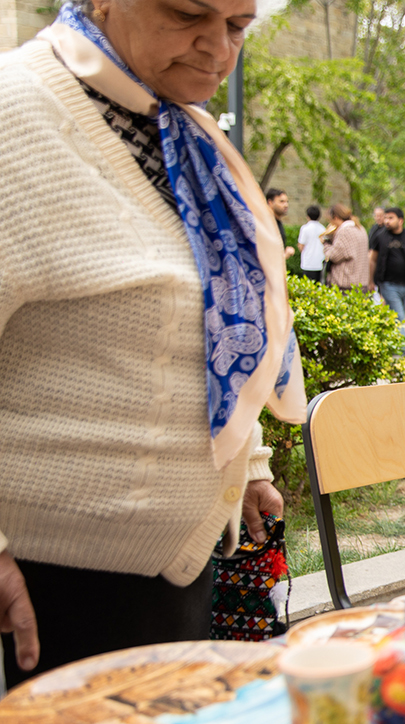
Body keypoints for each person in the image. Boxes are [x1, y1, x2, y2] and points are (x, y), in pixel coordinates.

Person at [0, 0, 305, 686]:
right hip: (49, 588)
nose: (218, 49)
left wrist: (247, 464)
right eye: (188, 13)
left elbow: (218, 309)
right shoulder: (16, 110)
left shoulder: (182, 128)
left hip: (177, 569)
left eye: (237, 25)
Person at [322, 203, 370, 292]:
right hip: (361, 283)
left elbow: (334, 256)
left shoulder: (345, 231)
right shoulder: (360, 228)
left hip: (346, 285)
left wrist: (326, 243)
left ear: (335, 217)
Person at [264, 188, 297, 260]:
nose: (286, 205)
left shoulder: (277, 223)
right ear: (270, 203)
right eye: (281, 201)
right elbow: (268, 258)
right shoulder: (267, 224)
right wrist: (286, 255)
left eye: (287, 202)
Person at [296, 204, 326, 280]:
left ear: (307, 216)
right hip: (320, 262)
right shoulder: (323, 228)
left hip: (308, 263)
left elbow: (301, 245)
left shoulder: (305, 228)